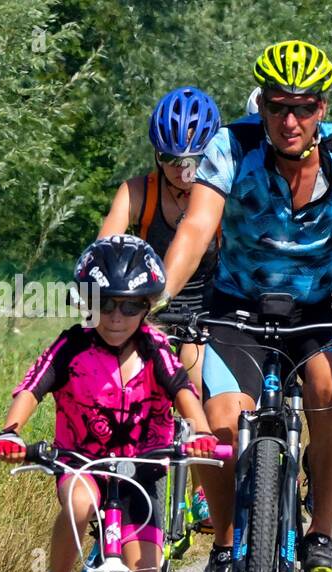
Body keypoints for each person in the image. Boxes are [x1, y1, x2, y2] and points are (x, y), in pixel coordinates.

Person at [159, 39, 332, 572]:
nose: (290, 120)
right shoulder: (232, 144)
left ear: (322, 108)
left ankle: (321, 532)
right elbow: (197, 228)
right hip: (238, 306)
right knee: (221, 423)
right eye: (278, 107)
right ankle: (226, 547)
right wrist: (160, 296)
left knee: (331, 393)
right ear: (263, 107)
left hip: (321, 306)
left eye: (303, 107)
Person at [0, 236, 218, 572]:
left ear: (147, 307)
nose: (116, 316)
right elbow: (32, 387)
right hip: (82, 462)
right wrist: (11, 432)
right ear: (86, 303)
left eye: (130, 306)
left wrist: (200, 431)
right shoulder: (71, 345)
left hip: (142, 470)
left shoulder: (157, 349)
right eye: (105, 304)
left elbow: (184, 390)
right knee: (78, 502)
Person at [99, 86, 223, 529]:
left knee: (193, 377)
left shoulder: (218, 196)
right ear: (156, 155)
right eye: (173, 160)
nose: (184, 171)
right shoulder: (138, 192)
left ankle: (201, 493)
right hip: (150, 302)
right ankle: (118, 484)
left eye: (195, 160)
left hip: (208, 304)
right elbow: (107, 245)